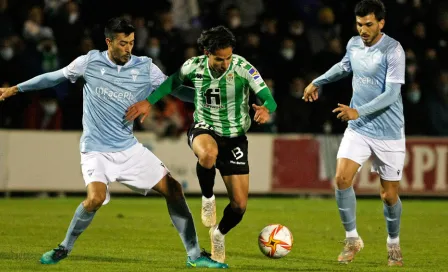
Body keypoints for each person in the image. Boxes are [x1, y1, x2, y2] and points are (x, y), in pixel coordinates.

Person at [0, 17, 228, 269]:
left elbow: (174, 89)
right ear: (108, 42)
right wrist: (15, 89)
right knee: (95, 198)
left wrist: (209, 98)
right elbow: (54, 77)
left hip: (129, 149)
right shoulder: (89, 62)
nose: (128, 48)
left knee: (173, 189)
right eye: (122, 43)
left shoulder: (146, 68)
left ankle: (194, 255)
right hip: (95, 150)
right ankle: (64, 247)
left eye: (131, 42)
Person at [125, 25, 277, 263]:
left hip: (235, 137)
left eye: (228, 58)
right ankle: (208, 199)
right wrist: (149, 102)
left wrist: (266, 109)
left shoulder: (243, 67)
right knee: (207, 155)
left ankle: (218, 234)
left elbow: (268, 98)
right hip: (204, 127)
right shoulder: (193, 66)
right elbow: (171, 83)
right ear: (207, 53)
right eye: (219, 59)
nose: (225, 63)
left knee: (239, 205)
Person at [303, 0, 405, 267]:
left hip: (388, 131)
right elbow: (343, 66)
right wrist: (317, 81)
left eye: (369, 24)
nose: (363, 30)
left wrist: (358, 110)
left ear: (381, 23)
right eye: (359, 24)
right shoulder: (353, 44)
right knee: (341, 178)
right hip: (359, 129)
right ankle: (352, 239)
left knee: (389, 195)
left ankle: (393, 243)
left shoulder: (393, 50)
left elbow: (392, 93)